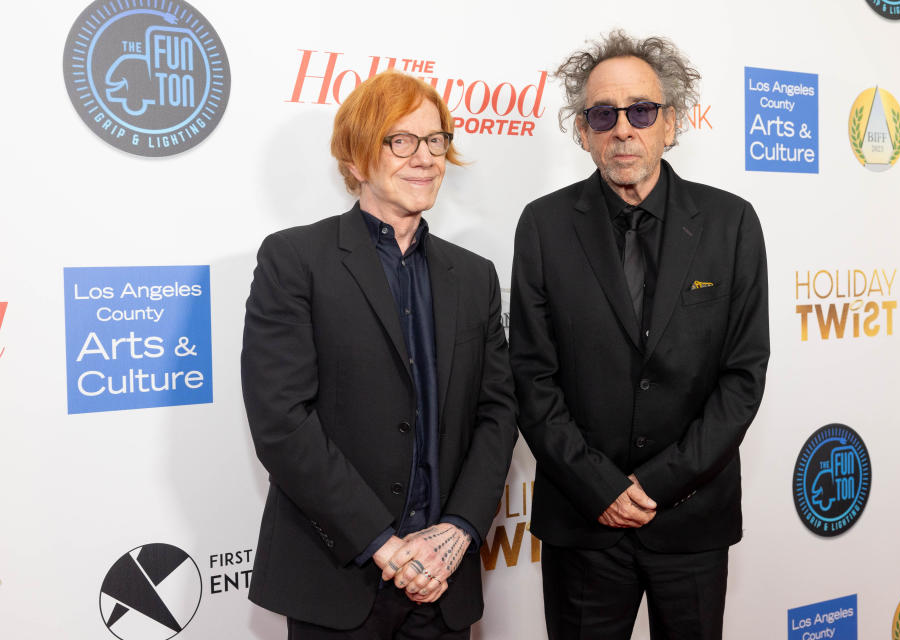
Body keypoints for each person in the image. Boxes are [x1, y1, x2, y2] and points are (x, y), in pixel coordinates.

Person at [509, 31, 769, 640]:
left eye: (641, 111)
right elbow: (530, 375)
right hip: (582, 521)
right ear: (583, 131)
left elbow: (743, 377)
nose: (622, 129)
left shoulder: (731, 223)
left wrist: (656, 483)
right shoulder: (543, 226)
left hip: (690, 519)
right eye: (603, 114)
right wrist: (598, 485)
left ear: (671, 122)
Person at [242, 70, 517, 639]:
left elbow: (497, 413)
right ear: (356, 159)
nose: (425, 157)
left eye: (436, 139)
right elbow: (282, 421)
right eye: (402, 140)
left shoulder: (475, 276)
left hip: (444, 586)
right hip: (339, 579)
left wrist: (458, 531)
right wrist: (384, 545)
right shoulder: (295, 259)